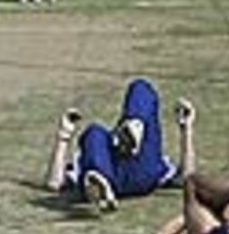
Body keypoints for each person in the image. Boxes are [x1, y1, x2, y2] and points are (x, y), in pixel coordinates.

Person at [46, 78, 195, 212]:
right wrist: (186, 131)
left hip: (125, 169)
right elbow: (186, 178)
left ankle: (100, 180)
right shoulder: (156, 160)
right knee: (96, 132)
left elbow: (54, 183)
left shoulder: (92, 150)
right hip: (137, 173)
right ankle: (101, 182)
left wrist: (63, 138)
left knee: (94, 133)